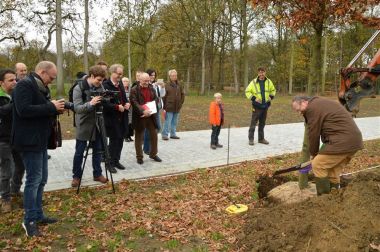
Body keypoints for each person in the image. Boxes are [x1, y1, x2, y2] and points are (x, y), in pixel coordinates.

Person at [12, 61, 65, 237]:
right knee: (33, 181)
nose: (52, 80)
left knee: (41, 179)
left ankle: (38, 214)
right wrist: (51, 107)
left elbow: (41, 108)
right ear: (42, 72)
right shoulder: (25, 85)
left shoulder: (40, 86)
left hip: (40, 140)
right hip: (29, 141)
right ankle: (29, 220)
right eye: (51, 77)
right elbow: (23, 110)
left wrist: (55, 108)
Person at [291, 96, 363, 195]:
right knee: (333, 172)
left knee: (318, 165)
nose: (299, 113)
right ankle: (334, 199)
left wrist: (314, 154)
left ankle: (323, 200)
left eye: (299, 110)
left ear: (304, 102)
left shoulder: (312, 109)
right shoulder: (320, 103)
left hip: (341, 142)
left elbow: (313, 134)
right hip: (354, 141)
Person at [71, 65, 110, 188]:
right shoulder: (79, 88)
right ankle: (76, 176)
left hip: (98, 122)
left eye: (102, 80)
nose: (100, 83)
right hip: (84, 123)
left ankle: (97, 174)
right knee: (79, 152)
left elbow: (104, 100)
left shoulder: (100, 85)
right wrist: (91, 103)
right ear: (91, 76)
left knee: (98, 150)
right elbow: (77, 108)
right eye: (98, 80)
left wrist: (106, 99)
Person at [129, 73, 162, 164]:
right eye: (145, 81)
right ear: (139, 80)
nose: (147, 82)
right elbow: (134, 102)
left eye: (148, 80)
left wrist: (150, 109)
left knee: (154, 135)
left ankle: (153, 154)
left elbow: (156, 99)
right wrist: (143, 111)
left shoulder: (151, 88)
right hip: (140, 116)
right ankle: (139, 157)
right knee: (139, 137)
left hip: (151, 116)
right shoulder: (134, 89)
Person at [103, 64, 130, 171]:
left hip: (122, 117)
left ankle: (116, 160)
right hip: (112, 118)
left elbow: (124, 98)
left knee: (120, 140)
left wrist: (127, 103)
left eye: (121, 74)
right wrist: (116, 107)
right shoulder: (105, 85)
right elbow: (104, 104)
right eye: (118, 74)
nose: (120, 76)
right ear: (112, 73)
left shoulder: (120, 84)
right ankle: (109, 163)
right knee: (114, 141)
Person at [0, 69, 17, 213]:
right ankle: (5, 198)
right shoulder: (2, 97)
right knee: (7, 170)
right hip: (3, 140)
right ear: (1, 83)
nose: (15, 82)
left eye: (15, 79)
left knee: (21, 166)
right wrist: (16, 102)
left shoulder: (15, 95)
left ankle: (15, 191)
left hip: (17, 138)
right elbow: (3, 111)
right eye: (11, 80)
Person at [245, 67, 276, 146]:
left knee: (262, 123)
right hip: (256, 106)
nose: (261, 74)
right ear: (258, 73)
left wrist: (271, 97)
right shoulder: (253, 82)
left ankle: (261, 139)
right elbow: (247, 91)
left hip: (265, 106)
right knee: (253, 122)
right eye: (260, 72)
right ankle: (251, 139)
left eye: (263, 72)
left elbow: (273, 90)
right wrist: (254, 98)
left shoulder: (269, 82)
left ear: (265, 72)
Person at [143, 69, 165, 155]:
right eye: (151, 75)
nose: (153, 76)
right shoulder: (147, 84)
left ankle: (148, 147)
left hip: (157, 108)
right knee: (151, 128)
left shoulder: (157, 85)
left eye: (154, 75)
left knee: (157, 128)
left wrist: (162, 87)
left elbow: (162, 95)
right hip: (149, 108)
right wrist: (152, 85)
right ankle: (147, 148)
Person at [162, 69, 185, 140]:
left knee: (174, 122)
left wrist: (180, 103)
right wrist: (164, 107)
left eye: (175, 75)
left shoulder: (179, 84)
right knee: (167, 121)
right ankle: (164, 135)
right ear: (170, 76)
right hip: (169, 107)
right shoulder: (166, 85)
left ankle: (173, 134)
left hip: (177, 107)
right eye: (172, 75)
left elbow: (182, 94)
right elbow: (163, 96)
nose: (174, 77)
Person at [122, 77, 134, 142]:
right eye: (124, 81)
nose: (126, 83)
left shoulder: (131, 89)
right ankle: (125, 136)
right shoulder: (121, 89)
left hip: (131, 108)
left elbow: (133, 97)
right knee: (125, 122)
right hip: (124, 108)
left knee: (130, 122)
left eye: (127, 81)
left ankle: (129, 135)